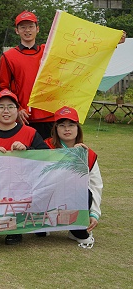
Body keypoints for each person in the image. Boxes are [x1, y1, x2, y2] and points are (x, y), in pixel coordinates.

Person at [0, 89, 48, 245]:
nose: (6, 111)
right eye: (1, 107)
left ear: (17, 110)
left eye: (11, 106)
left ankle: (18, 228)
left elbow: (47, 157)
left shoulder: (30, 133)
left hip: (23, 186)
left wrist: (27, 150)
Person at [45, 106, 102, 249]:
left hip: (73, 197)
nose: (67, 129)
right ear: (56, 129)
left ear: (78, 128)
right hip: (49, 196)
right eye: (62, 125)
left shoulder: (88, 153)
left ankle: (76, 229)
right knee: (40, 233)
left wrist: (94, 213)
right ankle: (45, 224)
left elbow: (95, 184)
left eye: (71, 125)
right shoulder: (45, 147)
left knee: (84, 192)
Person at [0, 11, 52, 139]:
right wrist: (17, 109)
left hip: (49, 115)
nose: (27, 30)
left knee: (50, 150)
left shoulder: (48, 52)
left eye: (31, 26)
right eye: (23, 27)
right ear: (17, 31)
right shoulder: (8, 57)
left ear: (37, 29)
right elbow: (4, 88)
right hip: (24, 116)